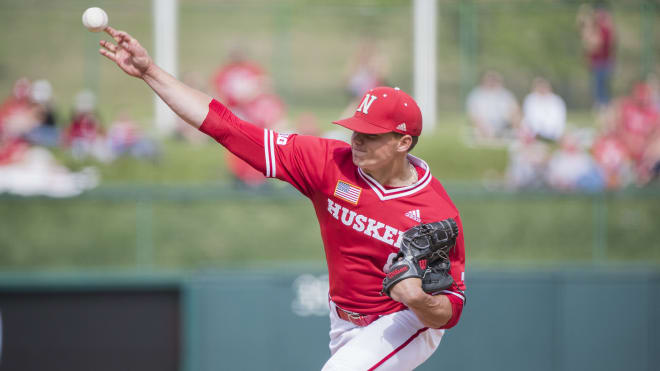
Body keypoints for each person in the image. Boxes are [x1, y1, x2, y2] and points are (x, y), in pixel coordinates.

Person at [99, 27, 466, 370]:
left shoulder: (435, 212)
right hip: (344, 319)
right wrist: (150, 72)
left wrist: (417, 299)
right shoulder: (328, 163)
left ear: (403, 143)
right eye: (357, 129)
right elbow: (229, 127)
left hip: (405, 319)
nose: (357, 139)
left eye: (371, 135)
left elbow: (450, 311)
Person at [466, 70, 520, 144]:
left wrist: (515, 124)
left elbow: (514, 110)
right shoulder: (476, 95)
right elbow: (473, 115)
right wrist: (483, 128)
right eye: (489, 80)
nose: (491, 82)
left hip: (504, 126)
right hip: (483, 127)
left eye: (494, 80)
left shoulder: (506, 95)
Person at [521, 77, 567, 142]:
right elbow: (530, 118)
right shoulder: (530, 100)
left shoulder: (556, 100)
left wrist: (557, 132)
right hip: (536, 132)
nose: (542, 89)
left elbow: (560, 118)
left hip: (554, 132)